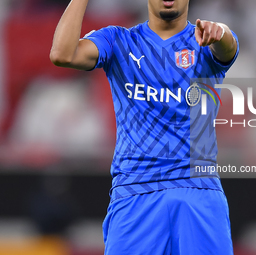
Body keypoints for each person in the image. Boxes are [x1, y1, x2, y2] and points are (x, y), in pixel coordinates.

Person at [50, 0, 239, 254]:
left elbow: (227, 46)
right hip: (136, 191)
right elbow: (62, 54)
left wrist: (221, 33)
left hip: (198, 189)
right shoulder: (119, 41)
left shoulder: (204, 40)